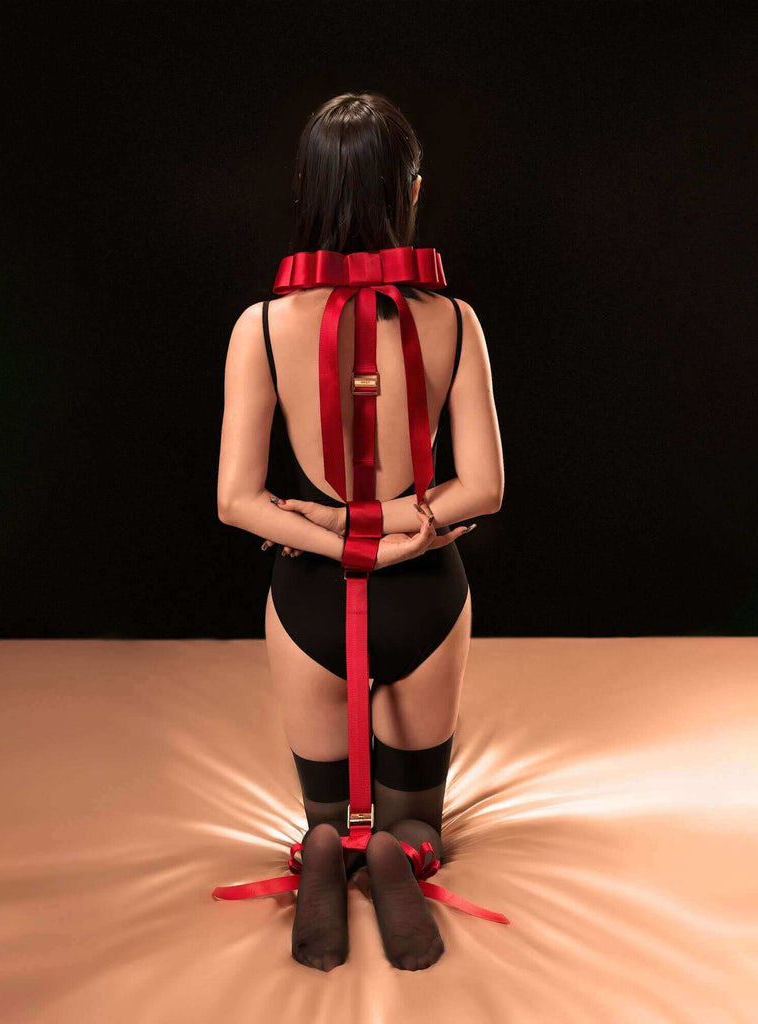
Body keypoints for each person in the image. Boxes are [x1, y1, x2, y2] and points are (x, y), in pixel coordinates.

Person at [216, 91, 504, 972]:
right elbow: (485, 488)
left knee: (325, 813)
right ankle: (402, 852)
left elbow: (237, 499)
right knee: (416, 818)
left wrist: (338, 531)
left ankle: (323, 850)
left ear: (308, 189)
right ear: (408, 191)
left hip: (310, 597)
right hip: (425, 591)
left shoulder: (262, 325)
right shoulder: (455, 319)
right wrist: (395, 531)